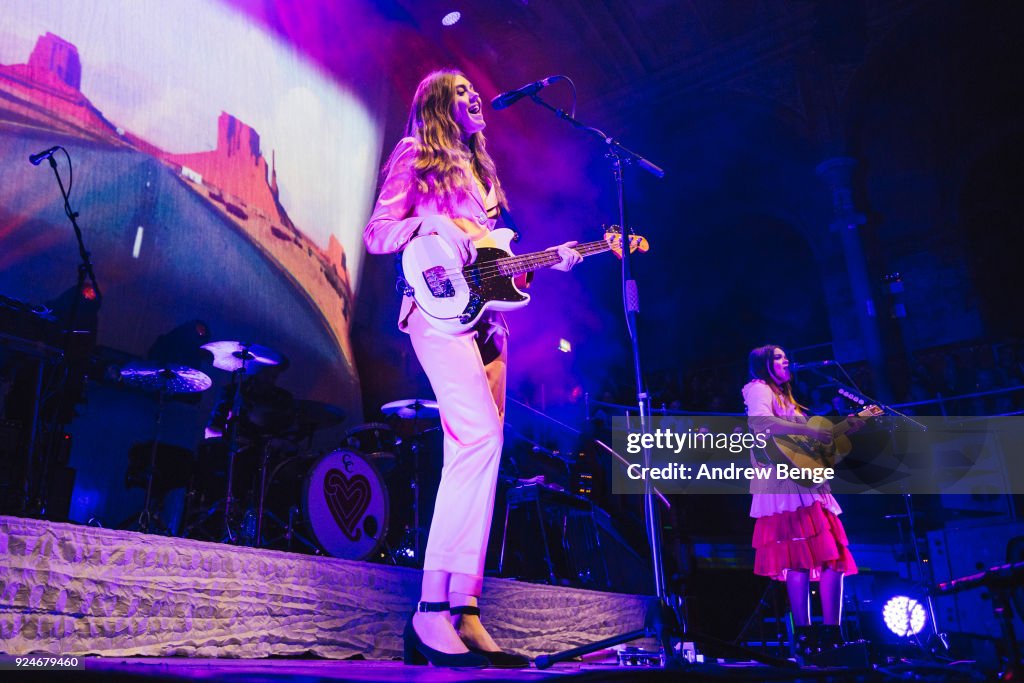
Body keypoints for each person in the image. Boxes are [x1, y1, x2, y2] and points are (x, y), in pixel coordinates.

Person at [363, 69, 581, 668]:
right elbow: (379, 234)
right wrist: (427, 222)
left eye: (473, 90)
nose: (474, 96)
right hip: (434, 313)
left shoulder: (484, 173)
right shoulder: (416, 152)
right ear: (435, 102)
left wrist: (541, 265)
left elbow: (494, 266)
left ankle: (466, 609)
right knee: (478, 438)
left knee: (482, 456)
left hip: (488, 323)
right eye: (459, 91)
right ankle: (428, 610)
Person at [741, 345, 859, 660]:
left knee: (833, 556)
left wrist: (846, 428)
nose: (786, 361)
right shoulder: (758, 389)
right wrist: (806, 429)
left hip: (809, 482)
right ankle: (806, 636)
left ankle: (833, 634)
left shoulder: (789, 399)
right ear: (764, 365)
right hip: (784, 484)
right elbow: (761, 425)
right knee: (798, 558)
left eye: (785, 356)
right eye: (778, 357)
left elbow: (810, 445)